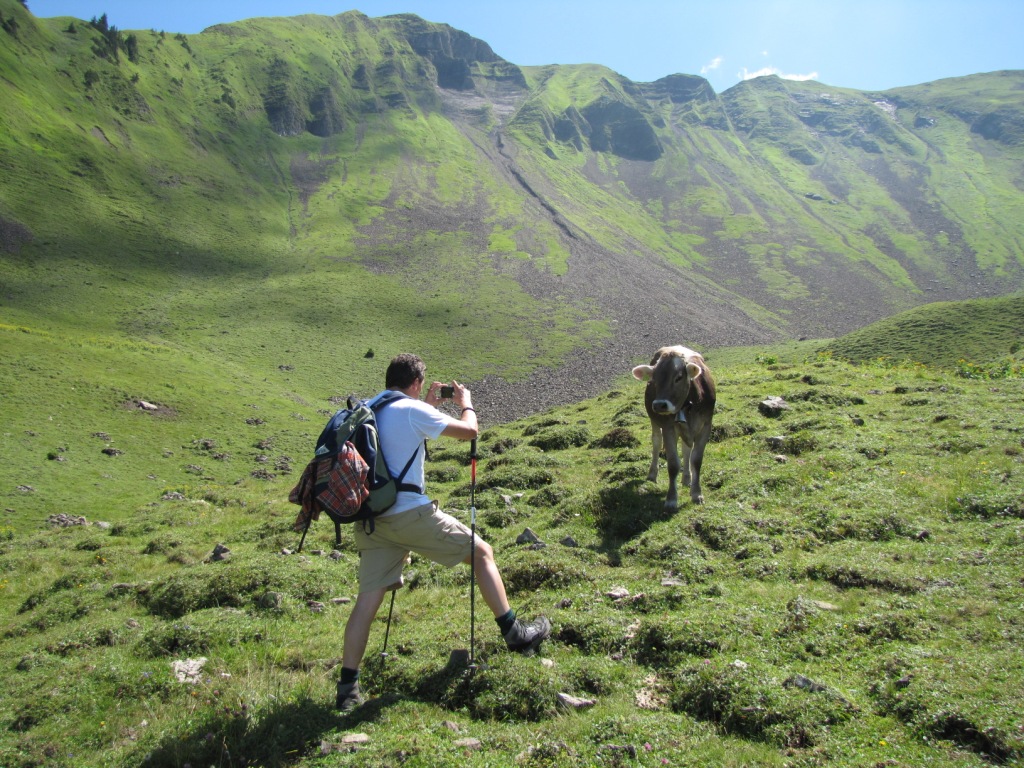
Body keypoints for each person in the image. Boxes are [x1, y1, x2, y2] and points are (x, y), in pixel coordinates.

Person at [335, 353, 551, 712]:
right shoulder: (412, 410)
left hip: (372, 521)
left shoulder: (370, 407)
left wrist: (428, 405)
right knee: (482, 553)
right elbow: (470, 431)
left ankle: (347, 688)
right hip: (409, 515)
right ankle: (517, 636)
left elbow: (398, 445)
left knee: (366, 601)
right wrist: (465, 404)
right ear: (417, 382)